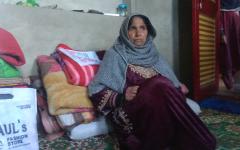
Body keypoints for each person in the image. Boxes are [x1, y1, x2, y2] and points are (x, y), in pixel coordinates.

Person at [88, 13, 216, 150]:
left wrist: (177, 86)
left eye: (142, 28)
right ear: (125, 31)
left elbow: (170, 81)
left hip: (159, 111)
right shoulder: (115, 54)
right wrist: (121, 96)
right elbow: (95, 89)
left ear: (148, 31)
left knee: (204, 143)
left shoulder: (154, 54)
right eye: (133, 28)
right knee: (159, 83)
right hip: (129, 110)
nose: (138, 33)